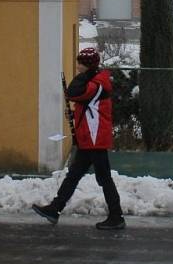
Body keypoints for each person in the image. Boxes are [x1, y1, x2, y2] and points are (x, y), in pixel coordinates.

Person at [33, 48, 125, 230]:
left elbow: (74, 93)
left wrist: (88, 74)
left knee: (104, 178)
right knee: (73, 175)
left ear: (89, 66)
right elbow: (90, 107)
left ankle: (117, 217)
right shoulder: (94, 81)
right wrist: (75, 113)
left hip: (95, 138)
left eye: (80, 63)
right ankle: (55, 209)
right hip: (88, 138)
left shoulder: (98, 83)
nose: (77, 66)